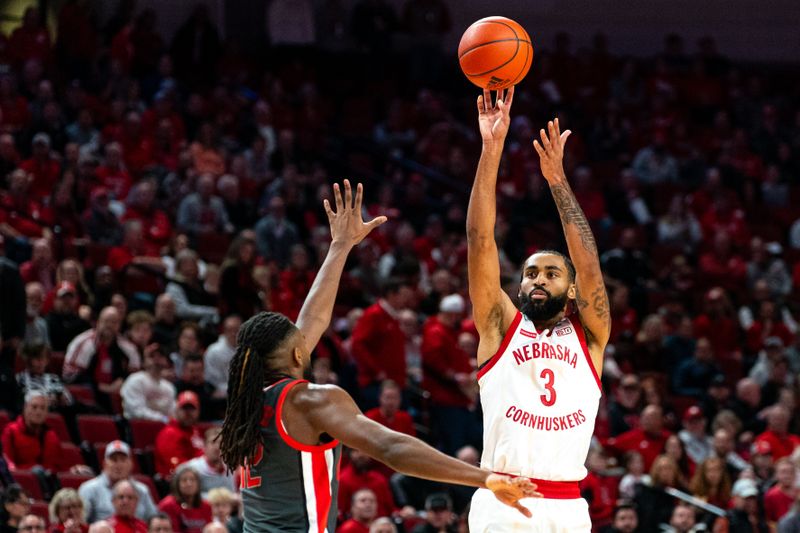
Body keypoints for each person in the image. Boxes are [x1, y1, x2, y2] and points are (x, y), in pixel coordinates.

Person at [219, 181, 537, 531]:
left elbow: (313, 318)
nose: (309, 335)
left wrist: (339, 247)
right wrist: (485, 478)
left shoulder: (246, 401)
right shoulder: (308, 400)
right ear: (298, 352)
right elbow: (391, 448)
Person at [465, 88, 610, 531]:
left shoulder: (589, 337)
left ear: (571, 292)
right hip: (502, 500)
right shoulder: (500, 326)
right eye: (530, 273)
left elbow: (587, 262)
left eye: (550, 274)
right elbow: (480, 239)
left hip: (566, 507)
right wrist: (491, 149)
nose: (538, 280)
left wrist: (556, 180)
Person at [79, 441, 158, 523]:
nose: (118, 465)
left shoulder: (142, 490)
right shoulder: (89, 489)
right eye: (114, 460)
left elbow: (154, 521)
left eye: (122, 460)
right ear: (104, 464)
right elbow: (81, 523)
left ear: (131, 464)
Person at [1, 390, 61, 471]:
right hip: (20, 478)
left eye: (43, 408)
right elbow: (7, 462)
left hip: (45, 480)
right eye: (34, 407)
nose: (38, 412)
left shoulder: (51, 435)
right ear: (25, 408)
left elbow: (55, 467)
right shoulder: (11, 431)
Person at [153, 391, 204, 478]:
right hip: (178, 481)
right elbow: (177, 468)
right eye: (184, 408)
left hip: (198, 477)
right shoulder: (169, 434)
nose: (188, 413)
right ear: (176, 410)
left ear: (198, 411)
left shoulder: (194, 431)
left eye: (192, 409)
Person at [180, 427, 234, 495]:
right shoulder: (191, 468)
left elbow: (232, 494)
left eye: (221, 443)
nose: (217, 447)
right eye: (213, 442)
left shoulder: (229, 468)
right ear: (204, 446)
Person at [157, 466, 212, 533]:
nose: (189, 484)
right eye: (184, 480)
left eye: (192, 479)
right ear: (177, 484)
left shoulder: (206, 506)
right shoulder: (167, 505)